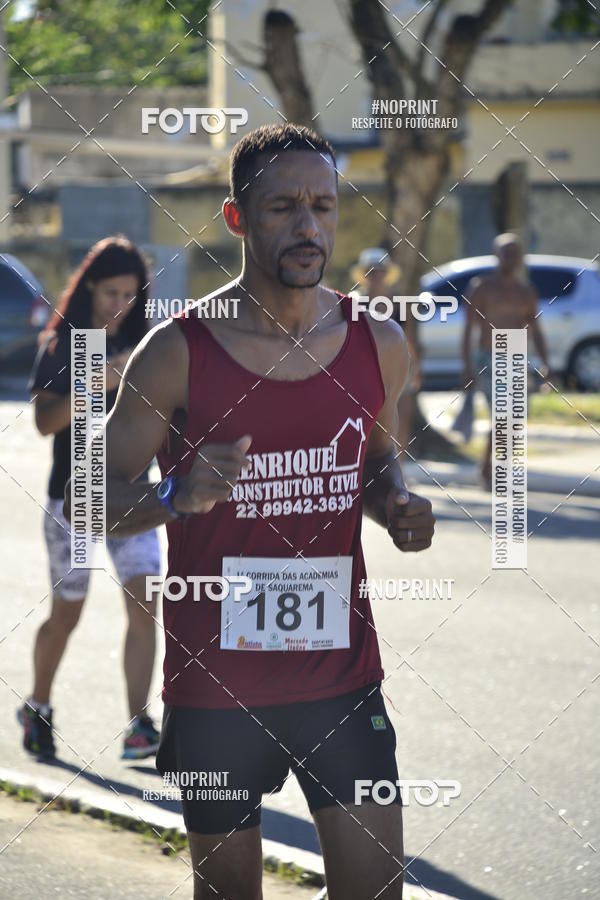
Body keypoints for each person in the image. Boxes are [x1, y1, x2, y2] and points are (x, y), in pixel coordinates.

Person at [72, 125, 436, 900]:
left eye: (323, 207)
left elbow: (376, 460)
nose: (308, 226)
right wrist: (174, 495)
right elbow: (87, 495)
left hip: (341, 680)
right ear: (237, 218)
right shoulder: (177, 351)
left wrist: (396, 504)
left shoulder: (379, 343)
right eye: (283, 208)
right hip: (217, 692)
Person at [20, 236, 162, 762]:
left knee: (145, 603)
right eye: (110, 293)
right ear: (90, 289)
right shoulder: (64, 344)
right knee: (67, 614)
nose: (118, 305)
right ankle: (38, 707)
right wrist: (95, 382)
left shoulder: (149, 343)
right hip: (74, 501)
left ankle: (139, 725)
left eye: (129, 295)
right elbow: (43, 422)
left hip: (132, 498)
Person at [462, 232, 550, 488]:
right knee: (502, 415)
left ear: (521, 258)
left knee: (514, 418)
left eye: (515, 254)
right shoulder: (482, 287)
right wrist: (467, 367)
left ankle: (498, 467)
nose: (510, 258)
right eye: (506, 253)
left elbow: (537, 330)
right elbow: (468, 330)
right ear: (497, 255)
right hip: (489, 358)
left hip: (517, 357)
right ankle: (489, 469)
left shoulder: (526, 292)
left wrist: (546, 363)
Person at [351, 247, 421, 457]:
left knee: (404, 412)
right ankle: (367, 463)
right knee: (368, 417)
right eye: (371, 271)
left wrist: (416, 366)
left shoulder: (398, 302)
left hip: (397, 363)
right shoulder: (355, 302)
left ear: (386, 274)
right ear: (364, 275)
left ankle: (399, 463)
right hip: (367, 366)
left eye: (379, 271)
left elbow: (407, 336)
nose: (376, 276)